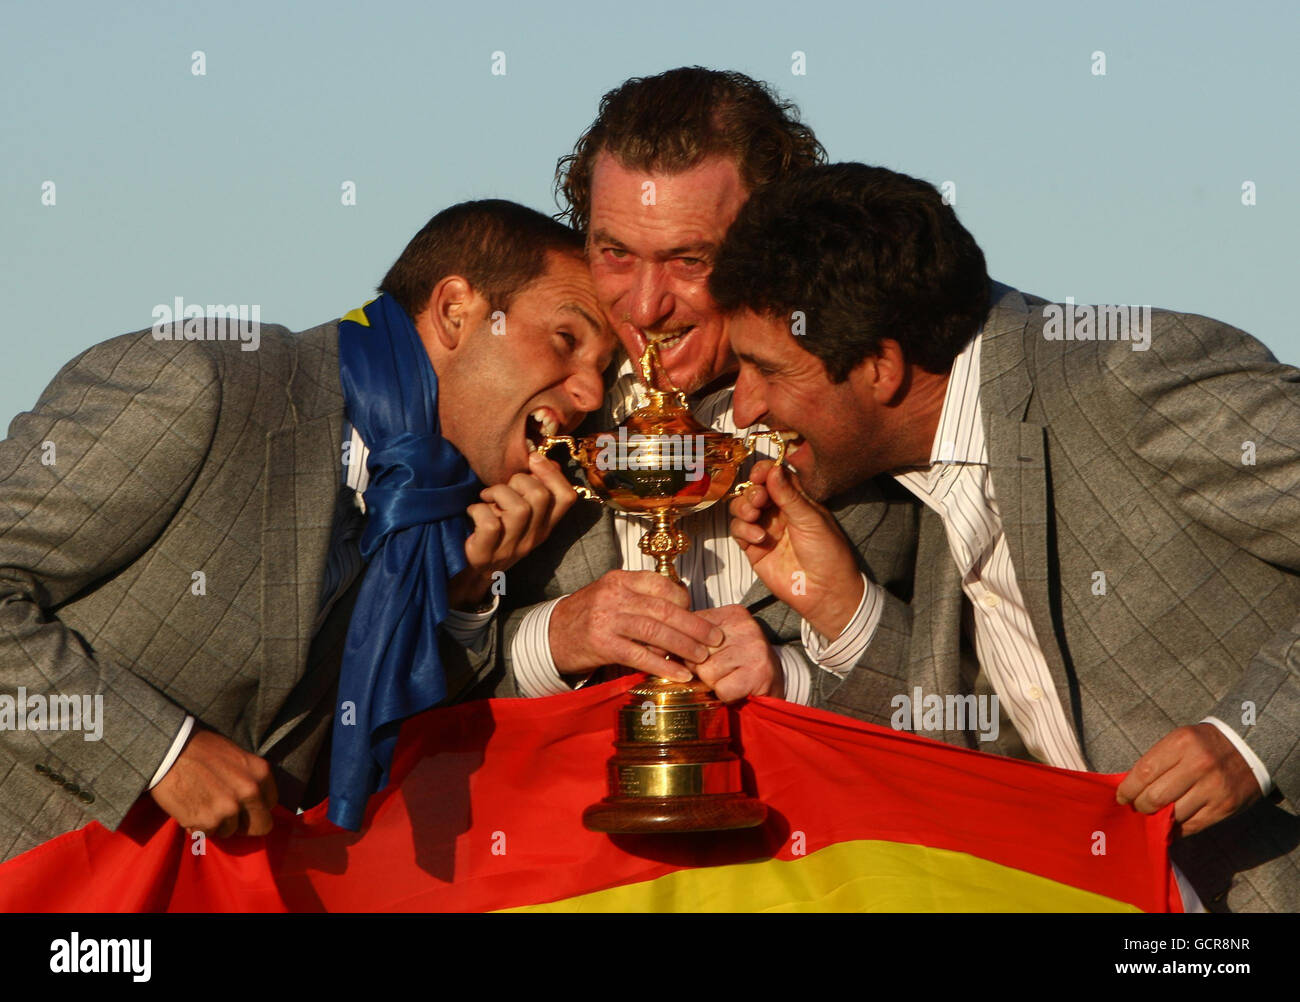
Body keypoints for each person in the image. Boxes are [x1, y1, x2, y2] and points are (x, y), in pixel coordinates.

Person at [716, 162, 1300, 912]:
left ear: (880, 368)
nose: (742, 407)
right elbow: (990, 758)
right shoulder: (922, 459)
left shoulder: (1127, 375)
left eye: (764, 370)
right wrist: (843, 610)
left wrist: (1254, 737)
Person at [0, 199, 613, 860]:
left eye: (603, 373)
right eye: (566, 341)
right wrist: (160, 752)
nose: (589, 395)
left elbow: (381, 753)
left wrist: (463, 599)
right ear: (456, 310)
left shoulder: (441, 519)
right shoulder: (200, 383)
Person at [496, 68, 917, 704]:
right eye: (615, 254)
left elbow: (986, 696)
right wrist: (549, 639)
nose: (643, 308)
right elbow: (400, 681)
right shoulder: (524, 408)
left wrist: (792, 680)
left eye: (689, 261)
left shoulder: (873, 404)